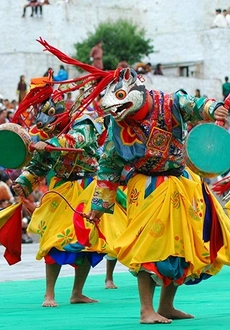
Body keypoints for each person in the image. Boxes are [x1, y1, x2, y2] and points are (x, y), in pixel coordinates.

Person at [86, 68, 230, 324]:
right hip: (146, 187)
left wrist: (214, 108)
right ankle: (146, 310)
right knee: (149, 246)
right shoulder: (117, 124)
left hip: (180, 182)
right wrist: (99, 204)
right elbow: (109, 164)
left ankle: (166, 305)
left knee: (181, 247)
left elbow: (196, 105)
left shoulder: (170, 101)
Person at [12, 74, 111, 308]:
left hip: (87, 187)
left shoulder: (84, 121)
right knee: (53, 240)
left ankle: (77, 292)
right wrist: (24, 181)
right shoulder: (45, 133)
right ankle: (49, 294)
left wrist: (51, 144)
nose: (48, 128)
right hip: (61, 189)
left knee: (87, 242)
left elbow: (77, 141)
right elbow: (39, 165)